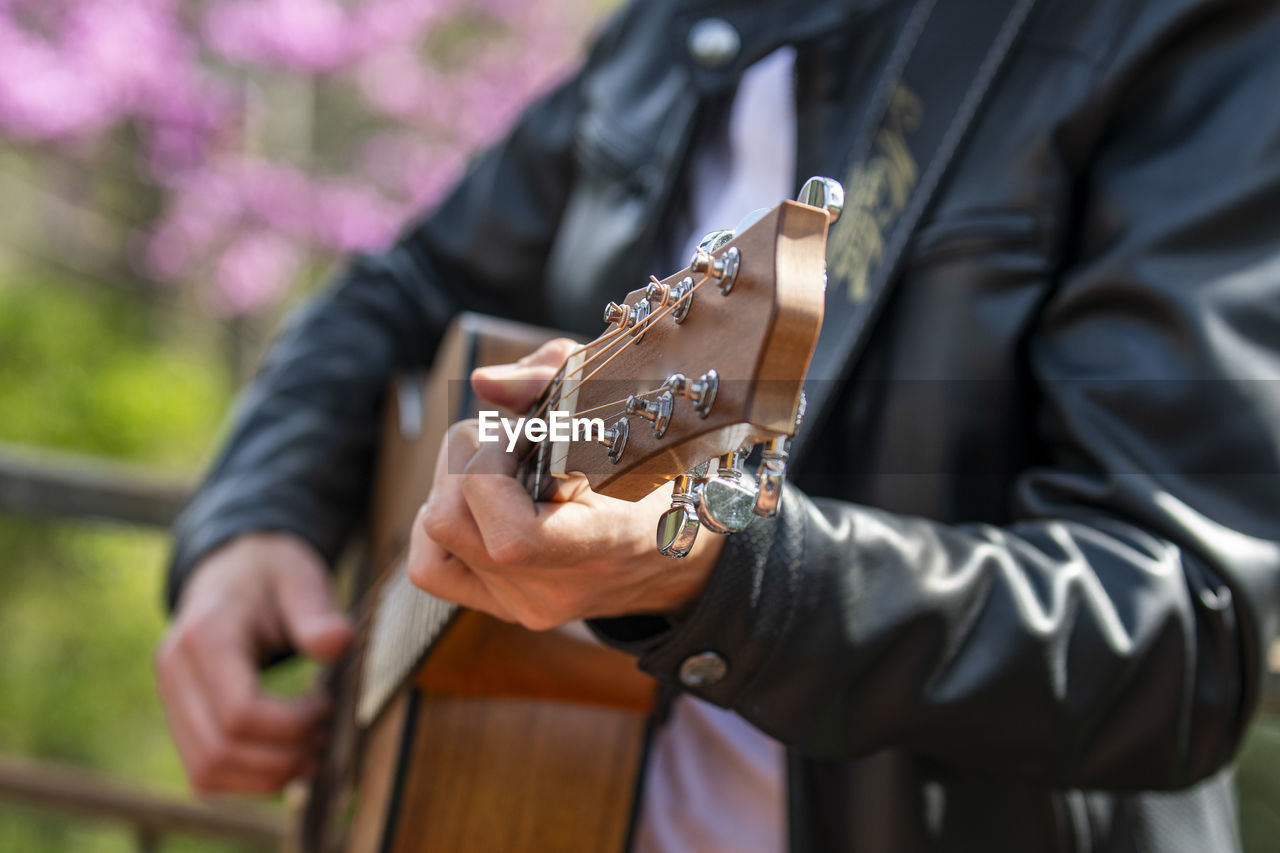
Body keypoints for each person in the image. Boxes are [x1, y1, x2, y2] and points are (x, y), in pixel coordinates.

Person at [155, 0, 1280, 850]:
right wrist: (256, 519)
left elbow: (1182, 635)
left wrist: (719, 575)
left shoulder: (1183, 33)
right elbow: (399, 288)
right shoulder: (681, 30)